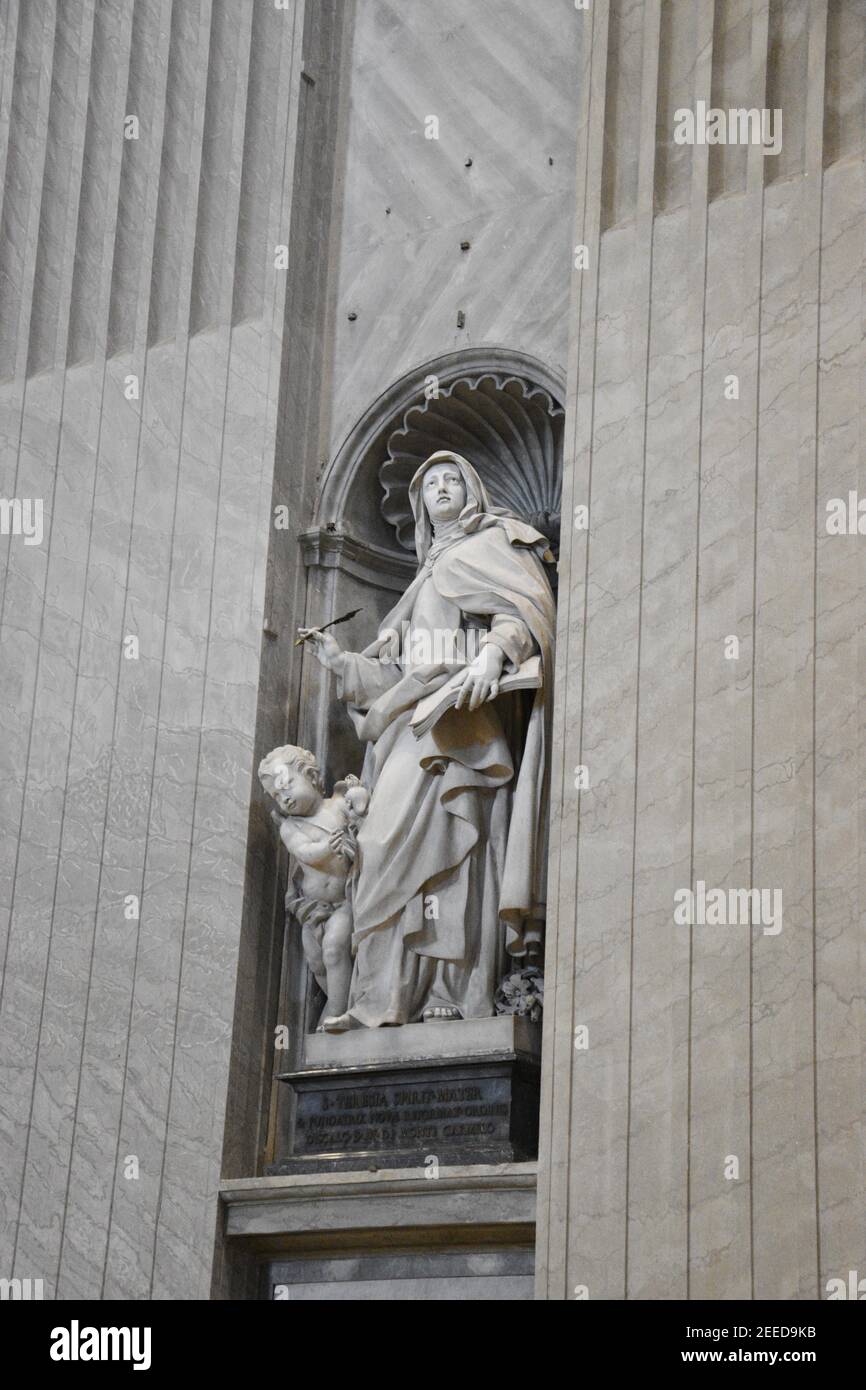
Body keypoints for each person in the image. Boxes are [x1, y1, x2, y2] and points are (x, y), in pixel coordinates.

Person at [298, 451, 555, 1029]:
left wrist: (493, 653)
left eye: (451, 479)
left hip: (463, 719)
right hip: (410, 723)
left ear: (472, 489)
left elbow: (528, 611)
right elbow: (395, 672)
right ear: (418, 505)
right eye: (430, 483)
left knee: (455, 842)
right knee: (381, 843)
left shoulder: (494, 544)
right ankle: (384, 993)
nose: (441, 487)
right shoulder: (420, 580)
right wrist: (342, 662)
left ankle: (450, 983)